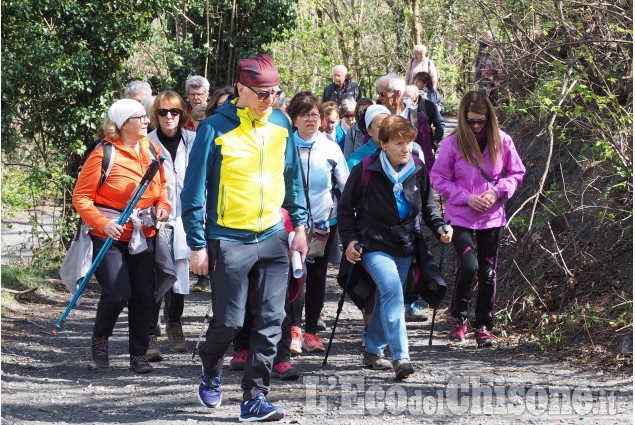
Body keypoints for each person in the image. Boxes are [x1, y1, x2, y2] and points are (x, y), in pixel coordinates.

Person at [181, 53, 307, 422]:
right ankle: (210, 366)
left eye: (275, 93)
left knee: (272, 319)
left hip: (272, 235)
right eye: (263, 93)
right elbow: (193, 191)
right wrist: (197, 244)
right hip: (228, 238)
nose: (271, 100)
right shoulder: (214, 128)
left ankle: (254, 399)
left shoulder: (281, 124)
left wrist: (298, 226)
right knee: (230, 321)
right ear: (241, 90)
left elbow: (292, 179)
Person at [338, 115, 452, 379]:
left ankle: (372, 348)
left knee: (386, 296)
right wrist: (350, 240)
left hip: (405, 244)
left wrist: (439, 227)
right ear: (383, 144)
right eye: (399, 143)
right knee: (392, 290)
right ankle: (401, 356)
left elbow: (429, 206)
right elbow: (345, 209)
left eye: (409, 142)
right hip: (373, 243)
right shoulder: (365, 169)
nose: (406, 148)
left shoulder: (418, 168)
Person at [72, 99, 169, 373]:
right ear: (124, 123)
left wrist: (162, 207)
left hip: (143, 232)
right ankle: (101, 336)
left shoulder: (151, 149)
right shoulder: (103, 153)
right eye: (141, 117)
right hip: (109, 234)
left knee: (143, 295)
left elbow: (161, 186)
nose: (147, 121)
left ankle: (137, 355)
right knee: (117, 293)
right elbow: (81, 197)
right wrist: (102, 223)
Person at [430, 91, 525, 348]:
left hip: (491, 217)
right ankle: (459, 319)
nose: (475, 126)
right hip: (460, 215)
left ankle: (483, 325)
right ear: (463, 118)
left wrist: (497, 191)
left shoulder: (502, 140)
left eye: (480, 121)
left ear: (489, 119)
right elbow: (438, 178)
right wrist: (466, 197)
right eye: (470, 121)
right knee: (469, 266)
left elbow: (517, 173)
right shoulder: (452, 143)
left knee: (488, 272)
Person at [286, 91, 349, 354]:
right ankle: (294, 329)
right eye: (304, 114)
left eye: (315, 114)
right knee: (295, 275)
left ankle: (311, 331)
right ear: (294, 119)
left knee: (318, 277)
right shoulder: (284, 145)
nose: (311, 119)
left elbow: (345, 184)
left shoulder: (331, 148)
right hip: (291, 224)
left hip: (324, 223)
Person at [144, 91, 196, 360]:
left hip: (186, 219)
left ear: (181, 114)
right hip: (157, 220)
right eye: (163, 112)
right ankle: (151, 332)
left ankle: (174, 324)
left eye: (173, 112)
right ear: (155, 115)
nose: (168, 117)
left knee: (180, 274)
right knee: (156, 275)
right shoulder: (147, 143)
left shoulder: (192, 140)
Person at [402, 84, 445, 167]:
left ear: (417, 98)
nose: (407, 101)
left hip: (426, 145)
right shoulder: (401, 109)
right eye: (404, 98)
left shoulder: (428, 106)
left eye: (410, 98)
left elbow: (440, 124)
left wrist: (434, 143)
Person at [346, 104, 391, 169]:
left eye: (388, 125)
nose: (385, 129)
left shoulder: (399, 153)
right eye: (380, 126)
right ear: (369, 131)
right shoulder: (354, 162)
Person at [472, 31, 504, 105]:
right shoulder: (482, 47)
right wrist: (475, 77)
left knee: (493, 100)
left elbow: (500, 67)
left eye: (489, 35)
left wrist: (497, 79)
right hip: (484, 78)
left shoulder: (497, 47)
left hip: (494, 80)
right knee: (481, 98)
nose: (487, 37)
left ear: (492, 36)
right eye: (486, 35)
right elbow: (479, 64)